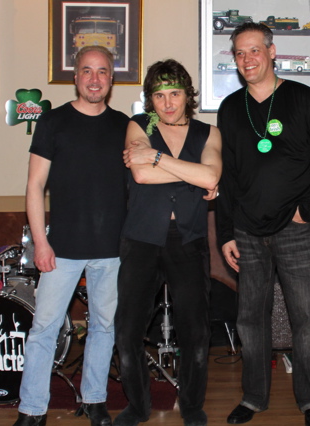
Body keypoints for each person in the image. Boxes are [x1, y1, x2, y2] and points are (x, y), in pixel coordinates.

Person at [216, 22, 310, 426]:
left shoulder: (302, 98)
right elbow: (226, 177)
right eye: (240, 53)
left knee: (307, 319)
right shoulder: (230, 108)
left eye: (254, 50)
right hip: (247, 233)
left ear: (272, 52)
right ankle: (254, 397)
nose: (247, 59)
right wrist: (225, 234)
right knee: (250, 320)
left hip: (296, 230)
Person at [14, 45, 129, 426]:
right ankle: (32, 410)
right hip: (60, 249)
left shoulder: (124, 125)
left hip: (112, 250)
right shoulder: (53, 122)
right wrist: (41, 243)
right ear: (76, 77)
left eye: (102, 71)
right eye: (87, 71)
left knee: (103, 328)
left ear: (111, 79)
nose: (95, 79)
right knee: (43, 330)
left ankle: (95, 400)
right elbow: (35, 186)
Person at [114, 59, 222, 426]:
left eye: (175, 93)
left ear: (187, 94)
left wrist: (157, 157)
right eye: (159, 96)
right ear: (150, 99)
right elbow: (142, 175)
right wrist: (192, 174)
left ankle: (191, 405)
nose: (168, 103)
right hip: (141, 238)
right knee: (128, 329)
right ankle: (137, 406)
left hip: (188, 240)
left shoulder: (209, 133)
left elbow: (211, 177)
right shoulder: (139, 125)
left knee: (196, 331)